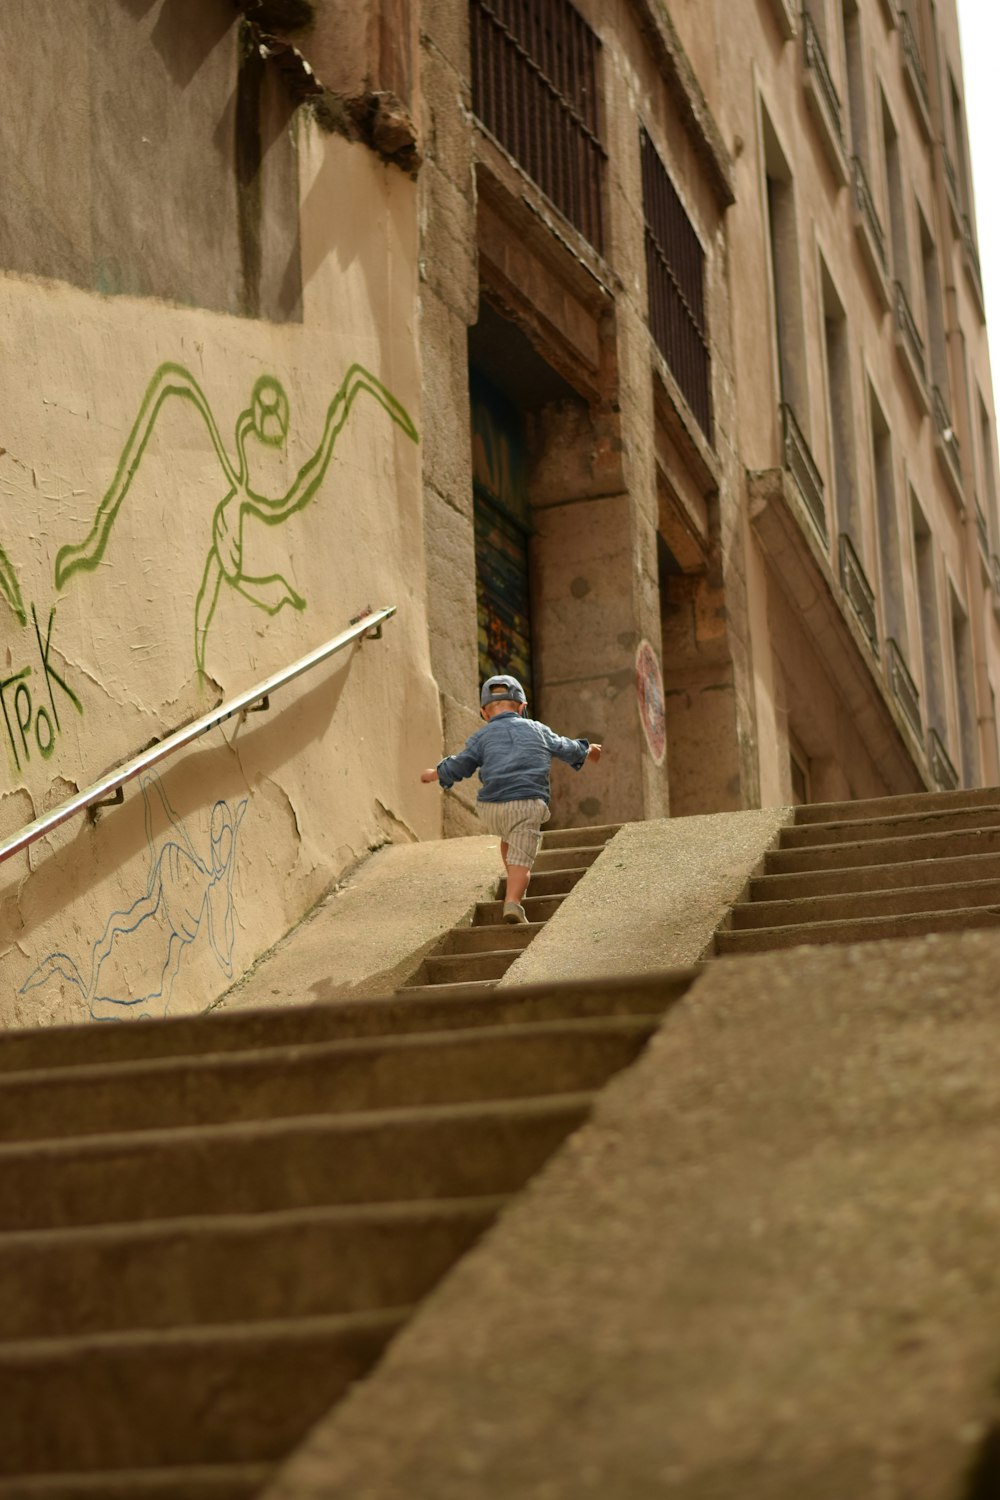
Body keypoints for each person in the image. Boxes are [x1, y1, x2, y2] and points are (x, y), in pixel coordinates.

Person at [420, 675, 602, 924]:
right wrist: (588, 750)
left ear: (484, 713)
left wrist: (436, 773)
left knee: (508, 837)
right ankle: (513, 902)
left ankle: (512, 871)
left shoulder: (481, 738)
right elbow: (565, 747)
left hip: (490, 808)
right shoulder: (537, 729)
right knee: (523, 860)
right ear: (522, 707)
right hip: (526, 804)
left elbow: (461, 763)